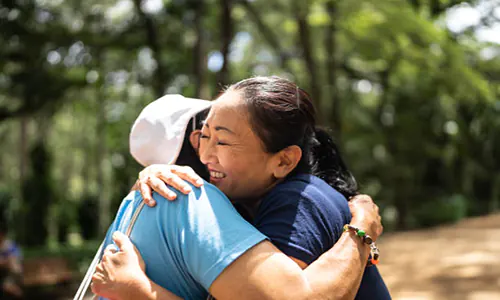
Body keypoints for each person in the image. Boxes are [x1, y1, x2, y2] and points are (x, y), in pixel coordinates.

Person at [91, 85, 385, 300]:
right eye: (202, 137)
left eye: (221, 139)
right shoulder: (250, 201)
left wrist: (140, 292)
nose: (205, 155)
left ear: (283, 161)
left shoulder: (296, 200)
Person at [0, 221, 23, 299]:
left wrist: (5, 261)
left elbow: (16, 259)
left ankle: (21, 295)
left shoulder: (9, 245)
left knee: (6, 286)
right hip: (4, 273)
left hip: (13, 273)